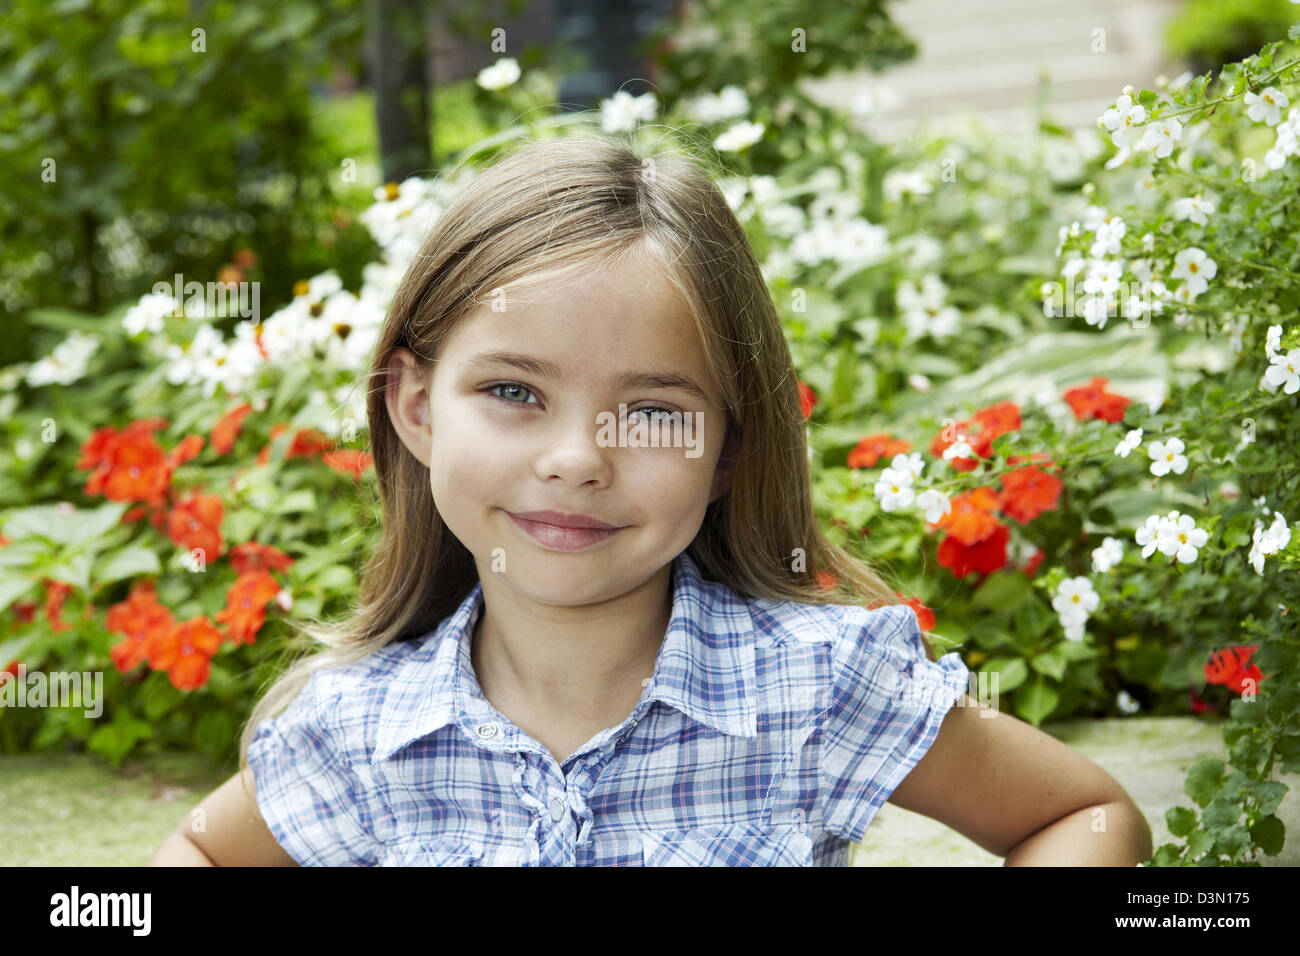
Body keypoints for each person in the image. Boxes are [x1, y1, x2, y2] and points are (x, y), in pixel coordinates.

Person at [149, 134, 1152, 867]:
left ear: (726, 448)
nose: (578, 458)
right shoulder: (355, 733)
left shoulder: (816, 688)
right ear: (415, 405)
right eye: (513, 392)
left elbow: (1084, 818)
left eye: (654, 409)